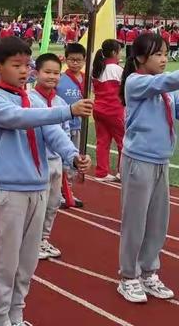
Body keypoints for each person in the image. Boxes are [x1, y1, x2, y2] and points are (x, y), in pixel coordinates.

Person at [0, 36, 92, 326]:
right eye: (16, 65)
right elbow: (21, 118)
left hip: (38, 188)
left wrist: (72, 156)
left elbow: (52, 132)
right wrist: (68, 109)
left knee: (28, 261)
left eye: (27, 65)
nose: (23, 71)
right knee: (6, 262)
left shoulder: (35, 99)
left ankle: (17, 313)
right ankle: (0, 318)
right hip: (10, 191)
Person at [117, 33, 176, 303]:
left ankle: (149, 271)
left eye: (166, 53)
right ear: (140, 58)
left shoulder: (163, 91)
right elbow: (166, 80)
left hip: (161, 160)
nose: (164, 59)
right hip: (138, 160)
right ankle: (129, 275)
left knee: (157, 223)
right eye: (158, 54)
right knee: (135, 221)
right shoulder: (136, 82)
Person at [29, 53, 71, 260]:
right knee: (38, 204)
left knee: (53, 203)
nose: (52, 76)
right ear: (36, 73)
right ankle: (33, 241)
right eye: (47, 72)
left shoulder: (61, 102)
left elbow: (66, 131)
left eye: (56, 73)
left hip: (56, 160)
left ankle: (44, 239)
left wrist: (67, 160)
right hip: (39, 160)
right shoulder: (29, 100)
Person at [56, 43, 86, 208]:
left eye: (79, 60)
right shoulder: (60, 78)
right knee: (60, 160)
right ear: (66, 59)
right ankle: (58, 192)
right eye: (72, 60)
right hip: (62, 127)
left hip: (77, 126)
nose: (75, 63)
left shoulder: (85, 78)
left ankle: (68, 192)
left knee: (73, 161)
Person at [91, 39, 124, 181]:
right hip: (115, 110)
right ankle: (122, 172)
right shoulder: (118, 70)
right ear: (114, 52)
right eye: (119, 50)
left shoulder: (96, 69)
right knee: (123, 142)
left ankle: (101, 172)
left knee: (102, 142)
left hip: (98, 109)